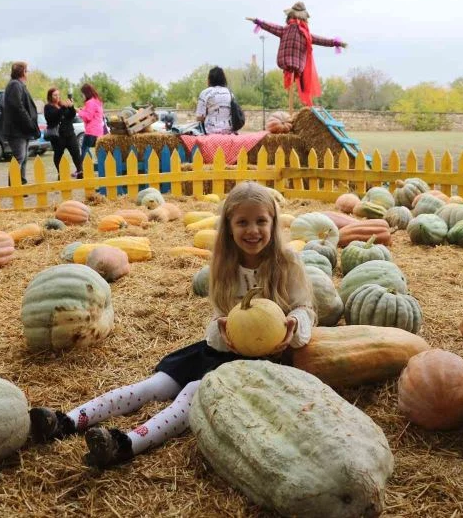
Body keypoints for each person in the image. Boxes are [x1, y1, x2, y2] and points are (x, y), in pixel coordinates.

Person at [28, 181, 316, 470]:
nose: (253, 230)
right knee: (153, 386)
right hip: (221, 350)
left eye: (261, 221)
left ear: (273, 222)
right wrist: (222, 332)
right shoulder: (225, 264)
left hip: (263, 360)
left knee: (193, 391)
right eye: (243, 222)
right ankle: (66, 420)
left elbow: (306, 309)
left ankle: (125, 444)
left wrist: (293, 326)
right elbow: (217, 320)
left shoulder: (287, 262)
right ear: (229, 227)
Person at [2, 61, 38, 184]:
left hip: (22, 130)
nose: (27, 73)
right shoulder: (15, 85)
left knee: (24, 158)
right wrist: (29, 122)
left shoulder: (18, 85)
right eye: (26, 70)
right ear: (22, 72)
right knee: (19, 158)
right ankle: (14, 185)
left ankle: (21, 183)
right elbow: (18, 107)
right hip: (17, 130)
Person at [43, 87, 83, 178]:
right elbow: (53, 117)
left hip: (70, 133)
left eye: (58, 94)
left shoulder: (62, 105)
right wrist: (63, 107)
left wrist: (71, 106)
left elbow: (71, 116)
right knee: (58, 155)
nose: (57, 97)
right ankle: (61, 174)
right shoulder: (48, 107)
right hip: (58, 136)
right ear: (50, 96)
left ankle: (80, 172)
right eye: (55, 95)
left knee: (76, 153)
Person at [195, 66, 233, 135]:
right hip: (229, 131)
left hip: (210, 131)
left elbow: (199, 117)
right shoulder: (230, 93)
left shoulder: (206, 93)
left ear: (210, 79)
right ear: (223, 79)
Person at [76, 83, 103, 164]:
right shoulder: (97, 101)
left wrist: (79, 112)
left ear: (86, 93)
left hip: (91, 131)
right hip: (98, 131)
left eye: (82, 94)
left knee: (84, 149)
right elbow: (93, 113)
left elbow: (88, 117)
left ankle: (80, 169)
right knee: (93, 150)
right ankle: (89, 166)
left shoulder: (90, 102)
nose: (82, 96)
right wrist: (82, 110)